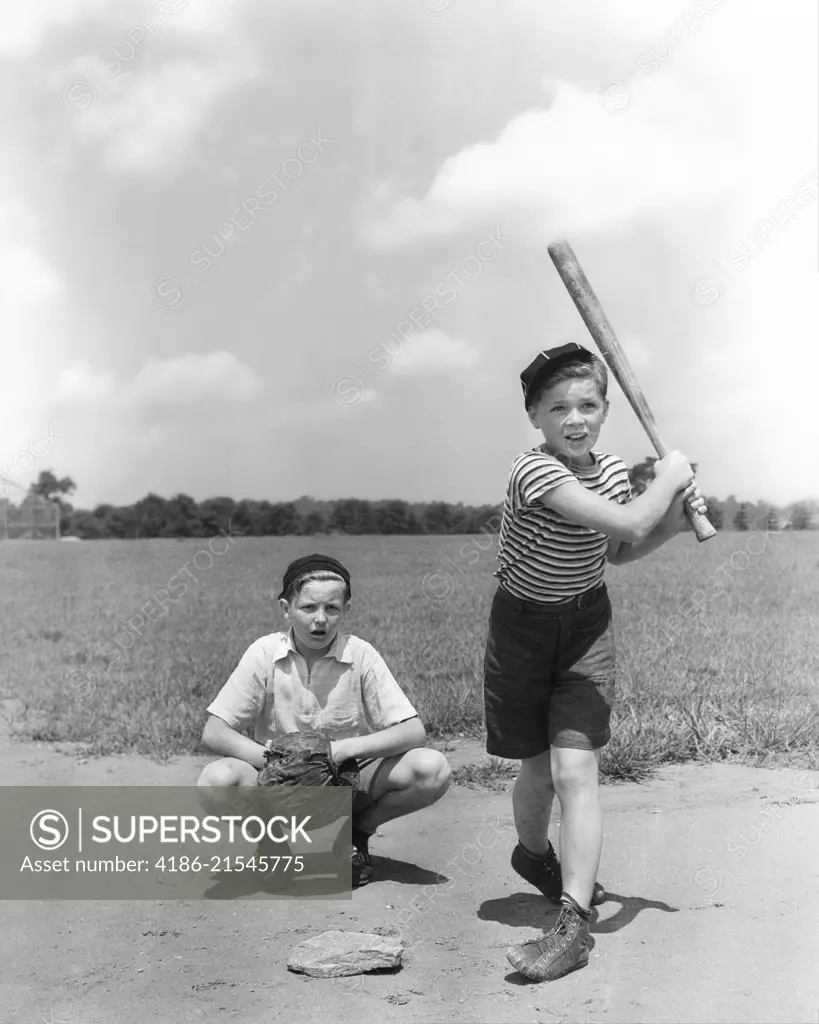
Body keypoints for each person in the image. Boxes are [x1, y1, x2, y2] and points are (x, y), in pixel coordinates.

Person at [484, 342, 707, 982]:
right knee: (538, 774)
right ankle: (533, 856)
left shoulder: (609, 471)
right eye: (558, 408)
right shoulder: (534, 472)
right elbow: (633, 523)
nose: (574, 418)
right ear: (534, 415)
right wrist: (667, 479)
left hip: (585, 625)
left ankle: (574, 924)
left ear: (607, 409)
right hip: (521, 630)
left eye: (587, 404)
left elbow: (620, 546)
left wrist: (675, 521)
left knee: (576, 770)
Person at [197, 553, 451, 887]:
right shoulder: (264, 653)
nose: (320, 620)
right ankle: (273, 845)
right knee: (215, 781)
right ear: (286, 608)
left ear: (346, 610)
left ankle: (356, 833)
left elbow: (412, 731)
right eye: (308, 608)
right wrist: (282, 762)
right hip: (276, 782)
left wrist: (341, 750)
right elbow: (214, 731)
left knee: (432, 769)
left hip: (345, 778)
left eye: (332, 609)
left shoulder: (360, 654)